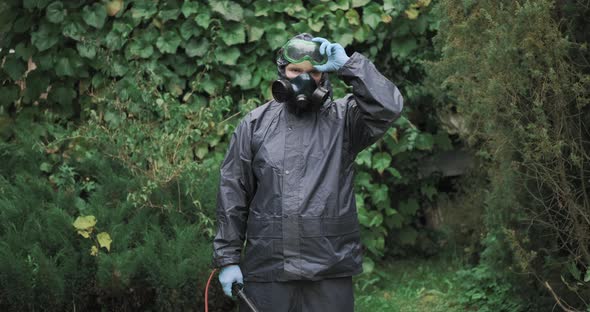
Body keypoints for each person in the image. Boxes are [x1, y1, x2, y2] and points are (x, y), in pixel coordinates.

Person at [212, 33, 404, 311]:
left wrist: (349, 65)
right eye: (295, 70)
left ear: (324, 76)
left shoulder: (346, 119)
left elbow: (389, 107)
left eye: (313, 71)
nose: (303, 78)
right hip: (268, 271)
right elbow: (233, 192)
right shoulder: (254, 125)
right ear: (282, 71)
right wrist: (227, 258)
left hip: (329, 270)